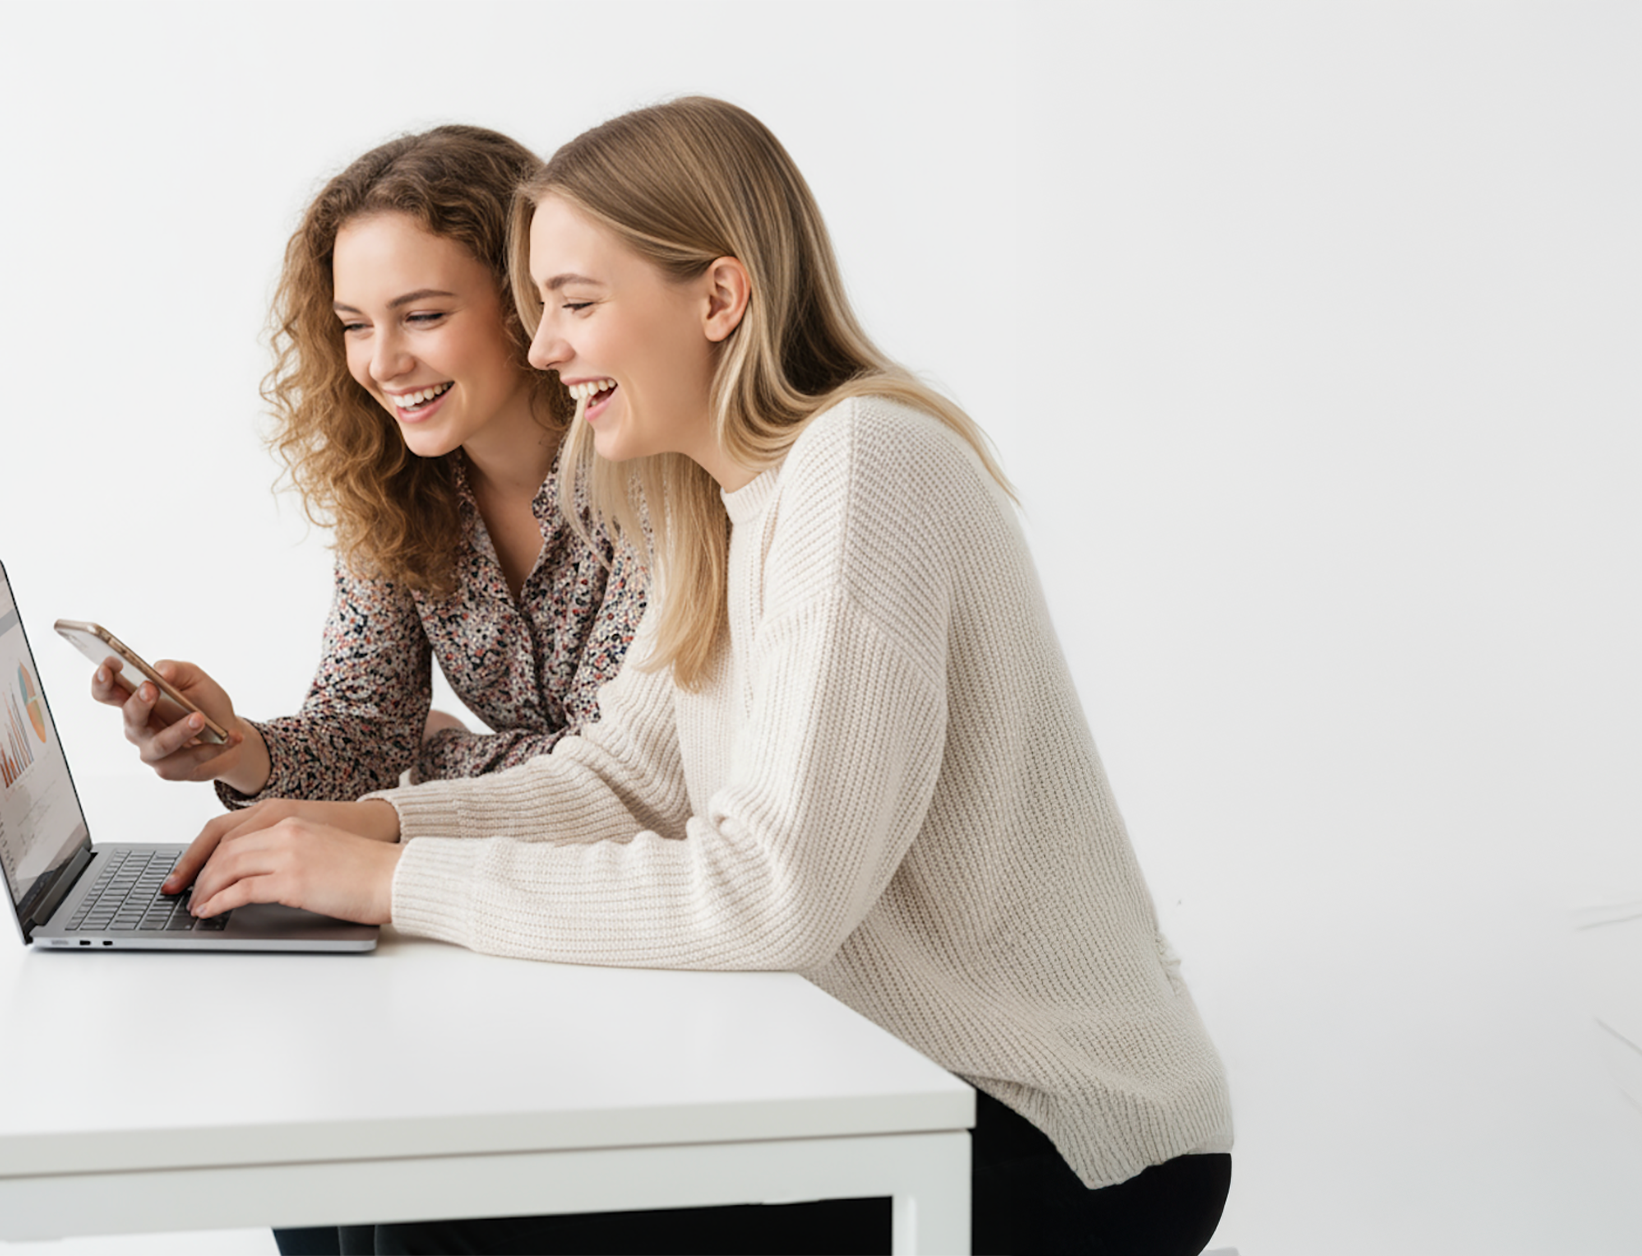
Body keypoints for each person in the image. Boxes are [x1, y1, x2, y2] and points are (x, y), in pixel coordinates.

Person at [167, 97, 1235, 1256]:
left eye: (575, 305)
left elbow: (772, 890)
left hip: (1045, 1126)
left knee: (446, 1205)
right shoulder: (713, 495)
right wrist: (367, 826)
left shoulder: (861, 463)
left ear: (719, 298)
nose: (544, 348)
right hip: (859, 1071)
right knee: (338, 1169)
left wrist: (393, 882)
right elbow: (624, 778)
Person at [83, 126, 648, 1256]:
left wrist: (436, 756)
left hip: (631, 942)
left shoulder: (657, 467)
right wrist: (238, 747)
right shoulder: (402, 492)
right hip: (504, 919)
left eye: (423, 314)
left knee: (393, 1204)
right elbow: (366, 727)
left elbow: (632, 774)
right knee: (312, 1143)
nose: (382, 358)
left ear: (528, 301)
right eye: (352, 324)